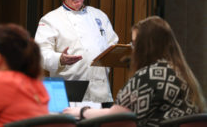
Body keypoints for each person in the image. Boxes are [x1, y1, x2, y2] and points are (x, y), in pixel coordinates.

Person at [63, 16, 206, 126]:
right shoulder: (180, 72)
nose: (132, 48)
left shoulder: (149, 76)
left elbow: (117, 116)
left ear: (145, 46)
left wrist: (81, 111)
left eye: (134, 42)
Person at [35, 0, 118, 107]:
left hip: (100, 91)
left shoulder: (99, 16)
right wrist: (60, 58)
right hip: (66, 94)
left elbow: (113, 45)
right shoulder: (50, 19)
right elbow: (39, 54)